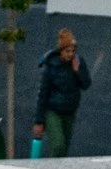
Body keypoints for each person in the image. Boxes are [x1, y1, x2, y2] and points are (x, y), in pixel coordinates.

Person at [32, 29, 91, 158]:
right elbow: (43, 94)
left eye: (73, 51)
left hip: (70, 112)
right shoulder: (51, 67)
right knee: (58, 145)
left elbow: (86, 84)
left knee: (64, 149)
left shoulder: (78, 62)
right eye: (67, 51)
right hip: (53, 111)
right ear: (61, 51)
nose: (70, 54)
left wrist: (77, 71)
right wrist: (39, 121)